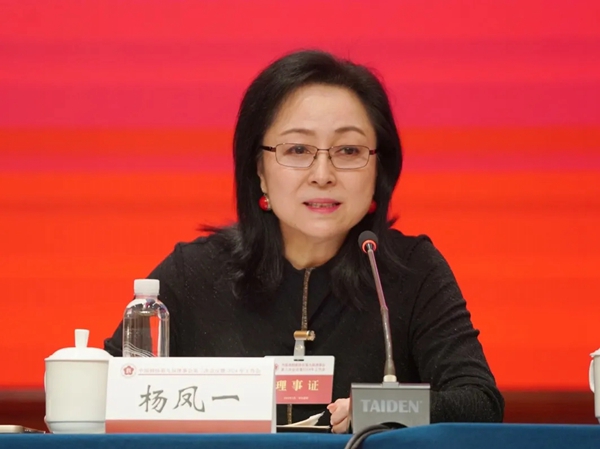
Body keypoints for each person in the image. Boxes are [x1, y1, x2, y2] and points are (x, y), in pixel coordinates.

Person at [104, 49, 504, 432]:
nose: (323, 174)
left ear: (379, 168)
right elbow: (105, 393)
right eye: (297, 149)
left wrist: (379, 407)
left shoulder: (410, 272)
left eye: (348, 150)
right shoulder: (194, 275)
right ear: (259, 169)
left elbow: (479, 404)